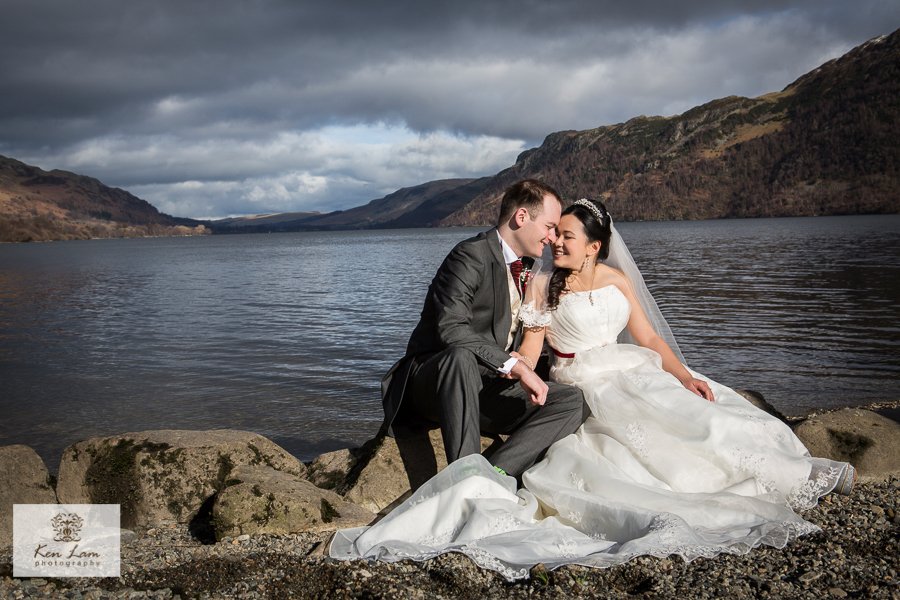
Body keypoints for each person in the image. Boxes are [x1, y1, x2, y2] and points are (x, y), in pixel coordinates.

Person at [332, 197, 854, 580]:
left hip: (632, 369)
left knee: (707, 424)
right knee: (598, 432)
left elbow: (647, 336)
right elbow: (531, 349)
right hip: (581, 377)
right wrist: (519, 373)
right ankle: (484, 479)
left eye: (566, 236)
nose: (555, 241)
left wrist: (686, 374)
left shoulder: (617, 281)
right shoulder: (540, 284)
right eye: (553, 232)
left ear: (594, 246)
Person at [379, 179, 588, 479]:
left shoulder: (531, 268)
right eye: (549, 226)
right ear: (521, 217)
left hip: (484, 386)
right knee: (460, 357)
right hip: (434, 384)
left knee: (572, 400)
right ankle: (464, 479)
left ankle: (495, 473)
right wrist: (516, 366)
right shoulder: (469, 255)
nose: (553, 238)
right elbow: (450, 328)